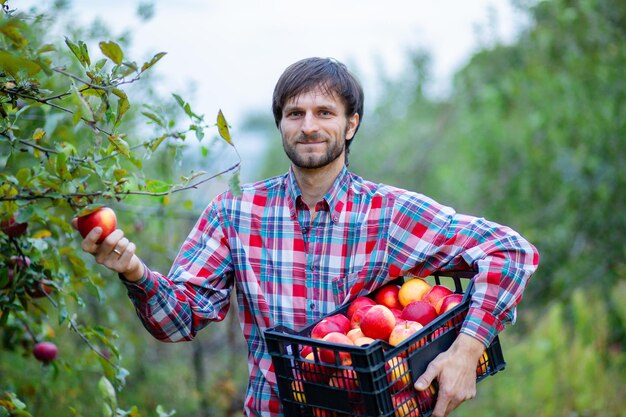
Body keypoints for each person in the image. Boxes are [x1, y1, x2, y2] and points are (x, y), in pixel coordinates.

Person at [75, 57, 539, 417]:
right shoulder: (236, 212)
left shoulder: (390, 212)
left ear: (351, 124)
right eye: (294, 113)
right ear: (280, 124)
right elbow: (178, 321)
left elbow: (511, 251)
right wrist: (133, 271)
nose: (309, 126)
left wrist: (467, 349)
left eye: (324, 112)